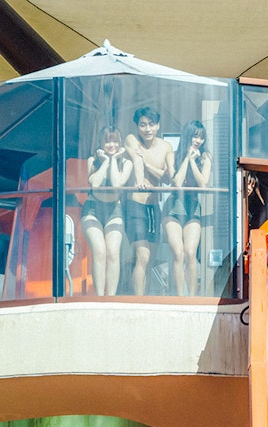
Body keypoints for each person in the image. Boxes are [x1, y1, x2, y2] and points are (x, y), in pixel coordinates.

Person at [124, 106, 175, 295]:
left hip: (154, 207)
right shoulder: (131, 139)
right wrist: (139, 181)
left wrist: (147, 164)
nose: (147, 129)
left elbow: (169, 178)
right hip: (135, 204)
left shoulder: (166, 147)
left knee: (149, 259)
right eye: (143, 125)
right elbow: (136, 160)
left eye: (151, 125)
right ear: (137, 126)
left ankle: (142, 296)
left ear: (158, 125)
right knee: (142, 256)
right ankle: (137, 300)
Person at [163, 120, 212, 296]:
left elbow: (203, 184)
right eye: (195, 136)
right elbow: (176, 182)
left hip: (193, 206)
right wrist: (186, 158)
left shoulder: (206, 158)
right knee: (178, 252)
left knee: (190, 252)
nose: (198, 141)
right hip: (174, 206)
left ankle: (192, 297)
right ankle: (179, 296)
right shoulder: (172, 156)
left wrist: (193, 162)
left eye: (201, 138)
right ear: (187, 136)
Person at [82, 126, 132, 296]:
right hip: (92, 209)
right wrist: (105, 162)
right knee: (100, 251)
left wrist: (114, 160)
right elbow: (94, 183)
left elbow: (117, 183)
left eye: (115, 141)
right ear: (101, 143)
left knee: (112, 252)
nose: (111, 144)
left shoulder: (126, 163)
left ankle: (110, 297)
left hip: (114, 210)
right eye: (107, 141)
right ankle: (99, 296)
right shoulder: (93, 161)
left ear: (120, 142)